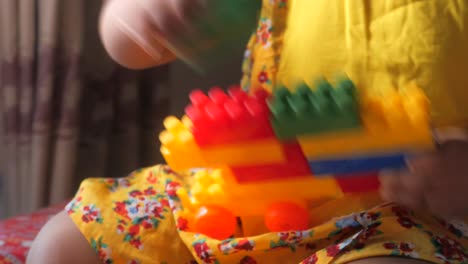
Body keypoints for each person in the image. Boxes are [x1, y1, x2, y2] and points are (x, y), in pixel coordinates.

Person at [27, 0, 468, 263]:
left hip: (396, 216)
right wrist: (139, 14)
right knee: (61, 246)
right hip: (238, 185)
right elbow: (125, 41)